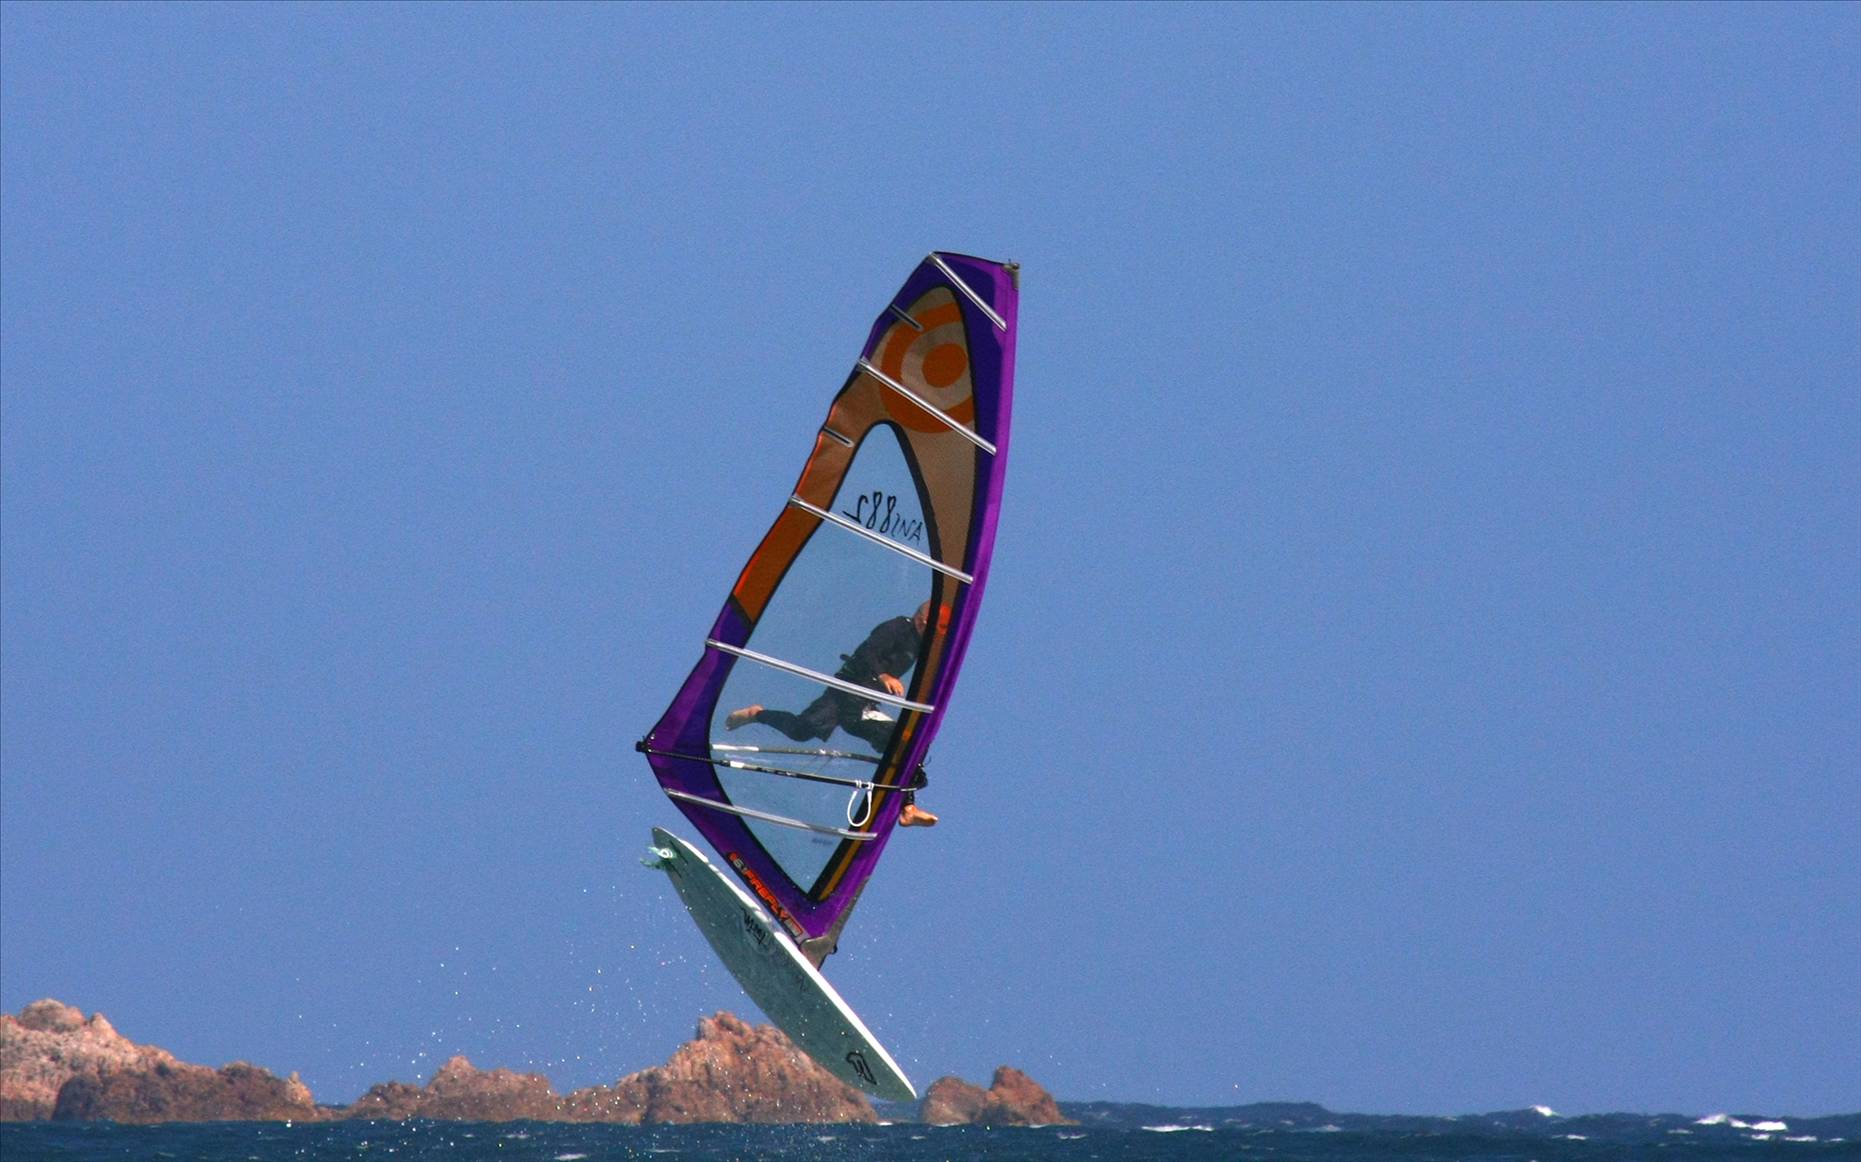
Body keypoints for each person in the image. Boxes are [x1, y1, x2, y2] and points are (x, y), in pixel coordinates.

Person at [725, 600, 940, 827]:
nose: (934, 634)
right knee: (801, 730)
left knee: (908, 742)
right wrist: (883, 675)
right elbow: (866, 651)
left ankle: (908, 808)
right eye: (933, 627)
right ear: (922, 621)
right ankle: (756, 714)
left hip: (862, 705)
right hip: (846, 691)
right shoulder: (898, 627)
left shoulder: (921, 645)